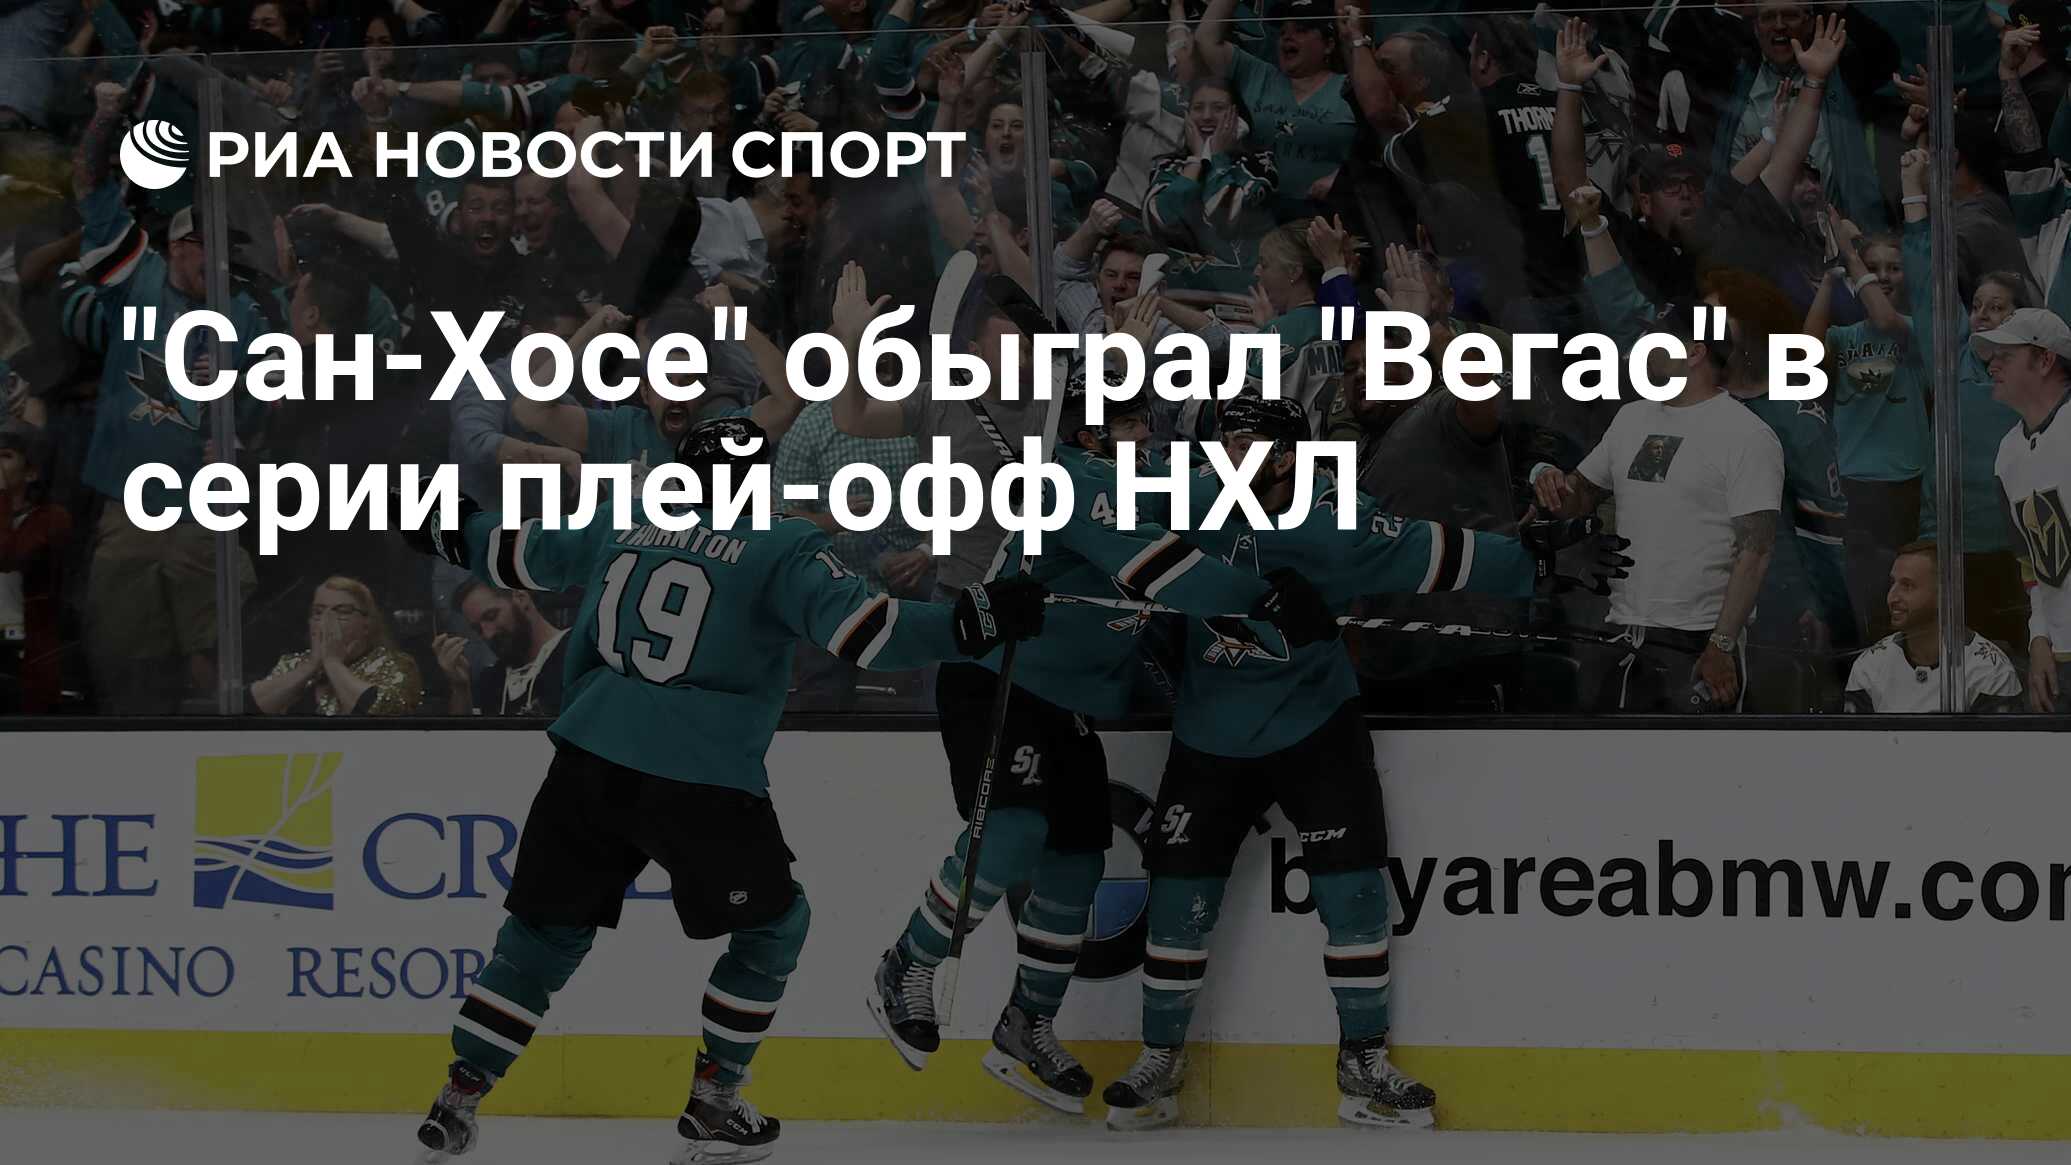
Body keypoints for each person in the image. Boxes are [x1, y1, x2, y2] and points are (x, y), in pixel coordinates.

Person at [399, 417, 1048, 1163]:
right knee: (774, 927)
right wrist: (977, 618)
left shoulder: (627, 515)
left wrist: (446, 528)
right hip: (699, 770)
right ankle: (714, 1098)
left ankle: (458, 1097)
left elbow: (520, 553)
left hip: (588, 755)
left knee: (541, 937)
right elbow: (869, 634)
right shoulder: (781, 544)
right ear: (761, 477)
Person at [1102, 396, 1623, 1131]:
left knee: (1352, 896)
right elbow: (1097, 500)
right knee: (1177, 903)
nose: (1224, 458)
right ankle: (1160, 1057)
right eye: (1222, 444)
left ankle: (1364, 1064)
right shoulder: (1187, 493)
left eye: (1244, 446)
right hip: (1208, 736)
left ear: (1287, 457)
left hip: (1316, 728)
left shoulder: (1335, 516)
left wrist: (1535, 560)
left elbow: (1436, 553)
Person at [868, 372, 1336, 1114]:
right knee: (1013, 832)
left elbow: (1216, 496)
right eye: (1127, 424)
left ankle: (1026, 1024)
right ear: (1087, 433)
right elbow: (1154, 569)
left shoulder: (1139, 479)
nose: (1143, 434)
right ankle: (908, 964)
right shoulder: (1073, 479)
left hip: (1069, 702)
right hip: (1000, 678)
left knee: (1079, 857)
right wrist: (1263, 602)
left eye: (1145, 421)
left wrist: (1289, 555)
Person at [1535, 300, 1784, 713]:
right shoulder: (1631, 418)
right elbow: (1578, 497)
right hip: (1621, 631)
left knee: (1692, 758)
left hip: (1698, 639)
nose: (1644, 344)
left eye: (1657, 337)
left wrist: (1721, 645)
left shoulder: (1748, 435)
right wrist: (1546, 478)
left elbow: (1756, 551)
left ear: (1695, 351)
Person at [1973, 307, 2071, 712]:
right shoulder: (2008, 454)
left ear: (2045, 359)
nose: (1991, 366)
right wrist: (2039, 637)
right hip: (2060, 657)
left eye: (2005, 355)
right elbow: (2032, 564)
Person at [1844, 541, 2022, 713]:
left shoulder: (1989, 670)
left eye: (1907, 586)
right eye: (1892, 583)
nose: (1892, 597)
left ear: (1944, 595)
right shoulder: (1870, 665)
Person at [250, 576, 424, 716]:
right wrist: (312, 665)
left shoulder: (396, 664)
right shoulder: (293, 663)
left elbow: (377, 716)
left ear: (367, 624)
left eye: (342, 612)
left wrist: (332, 662)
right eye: (318, 612)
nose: (327, 621)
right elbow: (251, 708)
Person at [0, 422, 72, 714]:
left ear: (31, 473)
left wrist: (1, 496)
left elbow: (8, 556)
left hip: (26, 657)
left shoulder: (52, 519)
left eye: (5, 456)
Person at [434, 579, 571, 717]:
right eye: (477, 629)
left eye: (491, 616)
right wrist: (460, 687)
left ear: (521, 598)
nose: (488, 634)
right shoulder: (492, 681)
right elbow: (464, 730)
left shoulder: (574, 656)